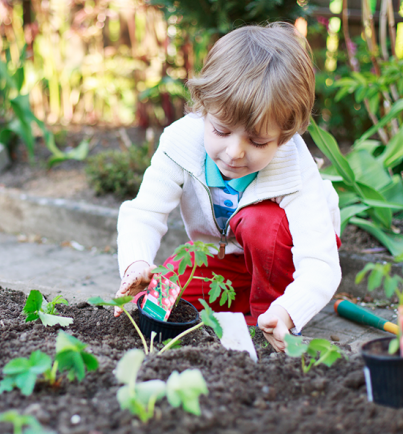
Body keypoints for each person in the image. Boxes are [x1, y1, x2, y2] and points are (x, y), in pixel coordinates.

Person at [113, 22, 342, 352]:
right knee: (159, 298)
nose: (235, 152)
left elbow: (320, 263)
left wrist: (289, 310)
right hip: (227, 260)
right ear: (203, 109)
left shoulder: (293, 167)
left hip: (286, 261)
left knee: (259, 222)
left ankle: (267, 320)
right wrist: (136, 264)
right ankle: (241, 306)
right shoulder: (181, 143)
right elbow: (144, 213)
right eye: (221, 132)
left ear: (285, 136)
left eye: (259, 141)